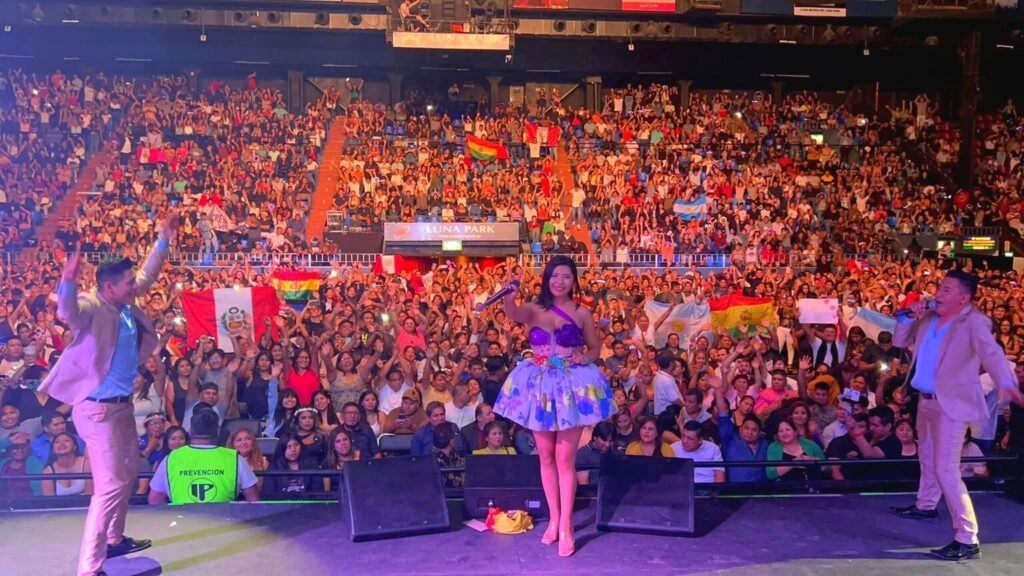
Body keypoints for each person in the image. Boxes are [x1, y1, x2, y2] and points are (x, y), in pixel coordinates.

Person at [39, 214, 178, 576]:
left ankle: (114, 539)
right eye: (128, 283)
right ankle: (89, 567)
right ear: (108, 287)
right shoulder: (92, 306)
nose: (136, 286)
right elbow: (67, 310)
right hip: (98, 412)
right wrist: (67, 281)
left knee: (128, 472)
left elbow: (147, 275)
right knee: (111, 486)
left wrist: (163, 240)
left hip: (119, 408)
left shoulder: (124, 302)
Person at [890, 270, 1024, 561]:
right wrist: (906, 316)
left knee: (947, 470)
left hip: (951, 405)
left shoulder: (975, 323)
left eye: (947, 289)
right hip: (925, 400)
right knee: (926, 458)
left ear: (964, 297)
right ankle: (926, 504)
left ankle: (967, 538)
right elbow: (900, 342)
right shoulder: (927, 317)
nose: (939, 293)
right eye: (940, 287)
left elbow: (992, 354)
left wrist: (1006, 382)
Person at [495, 255, 616, 557]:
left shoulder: (582, 312)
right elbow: (513, 312)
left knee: (565, 459)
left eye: (566, 276)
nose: (560, 281)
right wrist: (510, 293)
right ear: (547, 278)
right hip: (538, 385)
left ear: (574, 280)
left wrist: (583, 358)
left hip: (570, 387)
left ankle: (567, 527)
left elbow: (595, 347)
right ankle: (553, 520)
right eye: (555, 276)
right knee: (545, 457)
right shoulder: (534, 309)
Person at [148, 409, 260, 505]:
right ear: (217, 431)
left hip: (182, 526)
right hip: (223, 526)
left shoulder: (171, 458)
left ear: (190, 431)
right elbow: (253, 500)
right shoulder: (234, 458)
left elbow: (154, 499)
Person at [42, 431, 93, 497]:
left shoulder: (86, 464)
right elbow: (49, 502)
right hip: (59, 507)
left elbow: (90, 495)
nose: (61, 444)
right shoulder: (48, 472)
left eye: (67, 440)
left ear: (75, 446)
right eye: (57, 442)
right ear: (53, 450)